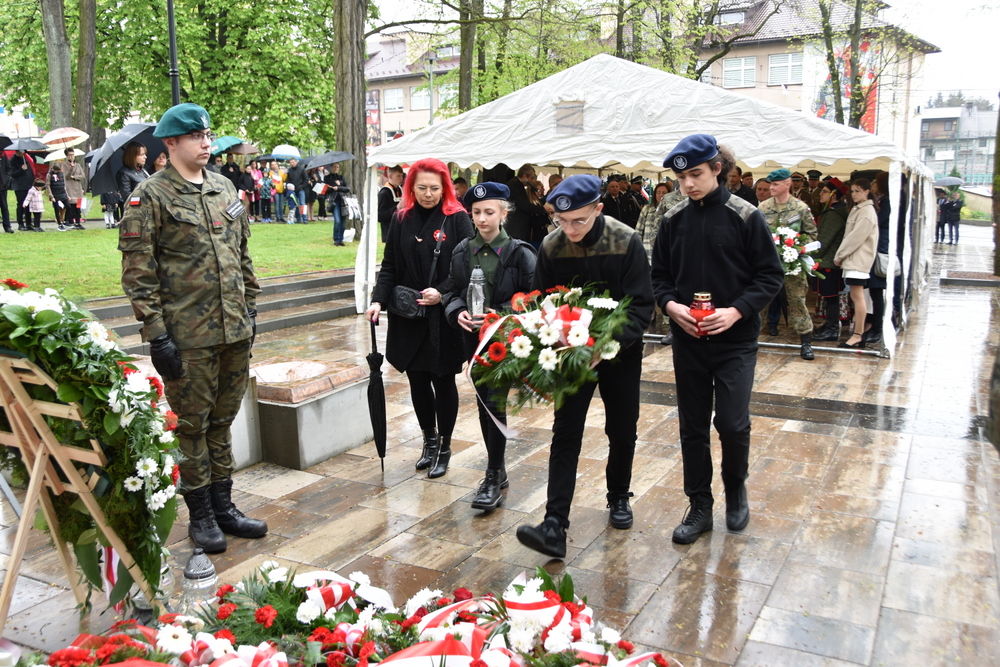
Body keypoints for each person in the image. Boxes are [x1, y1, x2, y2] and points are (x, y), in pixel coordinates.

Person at [117, 102, 267, 553]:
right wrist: (157, 335)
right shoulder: (150, 196)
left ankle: (225, 507)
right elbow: (138, 274)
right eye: (196, 136)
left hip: (234, 329)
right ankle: (200, 515)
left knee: (222, 422)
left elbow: (241, 254)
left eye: (207, 134)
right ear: (171, 143)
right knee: (192, 426)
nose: (206, 143)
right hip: (188, 337)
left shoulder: (224, 187)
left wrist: (251, 309)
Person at [650, 134, 784, 545]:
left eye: (696, 174)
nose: (688, 184)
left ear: (717, 169)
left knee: (731, 421)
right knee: (692, 425)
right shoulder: (673, 219)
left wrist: (737, 310)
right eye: (681, 178)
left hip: (735, 341)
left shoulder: (746, 215)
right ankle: (700, 505)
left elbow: (770, 275)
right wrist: (671, 306)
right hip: (689, 339)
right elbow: (659, 276)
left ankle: (735, 488)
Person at [514, 174, 654, 559]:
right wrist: (552, 337)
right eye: (561, 221)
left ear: (598, 209)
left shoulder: (625, 240)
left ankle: (618, 495)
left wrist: (605, 344)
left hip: (620, 351)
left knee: (622, 428)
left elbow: (642, 306)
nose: (570, 229)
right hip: (570, 352)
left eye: (579, 220)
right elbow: (542, 301)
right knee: (565, 431)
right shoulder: (551, 245)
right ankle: (554, 523)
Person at [365, 158, 474, 479]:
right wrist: (377, 300)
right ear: (411, 187)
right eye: (422, 188)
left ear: (445, 189)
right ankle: (429, 440)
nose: (428, 194)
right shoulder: (401, 218)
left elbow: (469, 266)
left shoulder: (458, 218)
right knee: (417, 379)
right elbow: (390, 265)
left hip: (442, 315)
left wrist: (443, 292)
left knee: (443, 380)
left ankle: (445, 446)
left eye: (435, 188)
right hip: (408, 314)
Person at [443, 182, 536, 511]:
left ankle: (493, 475)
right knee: (485, 404)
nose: (482, 219)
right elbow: (451, 290)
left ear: (503, 214)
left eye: (489, 212)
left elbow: (534, 299)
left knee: (494, 403)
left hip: (505, 341)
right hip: (474, 341)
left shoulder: (520, 253)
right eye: (477, 213)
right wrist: (457, 311)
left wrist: (502, 314)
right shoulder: (461, 251)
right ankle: (498, 469)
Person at [758, 168, 818, 359]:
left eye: (775, 184)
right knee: (760, 301)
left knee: (797, 301)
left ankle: (806, 341)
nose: (771, 188)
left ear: (787, 184)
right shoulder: (763, 208)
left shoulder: (800, 208)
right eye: (771, 184)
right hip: (767, 265)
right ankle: (750, 339)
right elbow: (756, 234)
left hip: (793, 265)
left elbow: (812, 234)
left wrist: (797, 248)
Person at [834, 178, 879, 349]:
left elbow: (855, 238)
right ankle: (859, 331)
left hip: (858, 259)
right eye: (852, 191)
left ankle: (858, 334)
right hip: (854, 259)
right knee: (857, 297)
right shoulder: (860, 209)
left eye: (857, 191)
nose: (853, 194)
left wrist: (840, 254)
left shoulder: (866, 211)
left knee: (857, 296)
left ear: (867, 191)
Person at [811, 178, 849, 342]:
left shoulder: (833, 214)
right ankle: (829, 325)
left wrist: (811, 255)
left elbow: (824, 240)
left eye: (825, 192)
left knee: (831, 296)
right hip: (829, 260)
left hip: (828, 262)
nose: (821, 194)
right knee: (829, 296)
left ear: (833, 195)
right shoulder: (834, 212)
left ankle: (832, 329)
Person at [865, 171, 891, 347]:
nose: (873, 186)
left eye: (875, 183)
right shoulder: (882, 201)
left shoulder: (887, 203)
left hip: (880, 249)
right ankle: (875, 324)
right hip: (877, 248)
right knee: (874, 291)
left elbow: (876, 222)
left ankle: (878, 327)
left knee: (877, 290)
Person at [505, 164, 549, 246]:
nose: (532, 181)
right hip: (517, 228)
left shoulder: (515, 183)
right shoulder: (516, 184)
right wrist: (543, 209)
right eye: (531, 178)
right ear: (525, 176)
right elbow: (525, 206)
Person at [324, 162, 350, 246]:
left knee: (343, 222)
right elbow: (325, 189)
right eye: (334, 167)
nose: (336, 168)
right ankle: (336, 239)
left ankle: (341, 239)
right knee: (337, 221)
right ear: (331, 168)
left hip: (343, 201)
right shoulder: (327, 178)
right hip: (334, 202)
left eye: (337, 167)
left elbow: (347, 189)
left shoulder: (341, 177)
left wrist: (339, 187)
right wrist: (333, 188)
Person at [116, 141, 148, 205]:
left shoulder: (142, 170)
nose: (145, 157)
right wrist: (146, 200)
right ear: (133, 156)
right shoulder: (124, 173)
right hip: (138, 209)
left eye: (145, 154)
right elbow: (128, 199)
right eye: (142, 154)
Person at [10, 150, 36, 231]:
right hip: (19, 186)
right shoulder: (12, 161)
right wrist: (21, 169)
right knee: (21, 205)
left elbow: (30, 171)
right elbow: (13, 174)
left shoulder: (26, 159)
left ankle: (28, 223)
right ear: (17, 152)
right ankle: (20, 223)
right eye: (21, 152)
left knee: (28, 205)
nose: (23, 153)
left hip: (28, 185)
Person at [378, 165, 404, 243]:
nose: (401, 178)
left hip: (401, 230)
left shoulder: (399, 189)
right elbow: (380, 216)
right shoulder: (384, 193)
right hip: (390, 233)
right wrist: (396, 208)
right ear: (390, 176)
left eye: (402, 176)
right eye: (398, 176)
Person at [63, 148, 87, 230]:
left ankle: (78, 222)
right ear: (67, 156)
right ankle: (70, 222)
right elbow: (66, 176)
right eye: (70, 155)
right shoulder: (64, 165)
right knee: (71, 206)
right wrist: (71, 169)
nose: (71, 156)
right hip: (70, 188)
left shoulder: (78, 165)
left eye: (73, 155)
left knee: (78, 207)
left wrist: (74, 177)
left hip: (78, 188)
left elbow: (82, 176)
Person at [46, 163, 70, 230]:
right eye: (55, 170)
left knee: (68, 207)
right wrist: (51, 196)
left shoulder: (61, 174)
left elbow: (64, 185)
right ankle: (59, 224)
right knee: (57, 209)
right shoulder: (49, 174)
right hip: (54, 194)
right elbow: (48, 185)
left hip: (62, 193)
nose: (56, 171)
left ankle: (65, 221)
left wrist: (67, 195)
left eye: (58, 170)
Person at [286, 157, 308, 224]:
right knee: (295, 205)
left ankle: (305, 219)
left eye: (293, 162)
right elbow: (288, 180)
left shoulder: (302, 169)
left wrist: (302, 187)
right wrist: (289, 188)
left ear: (296, 162)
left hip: (300, 189)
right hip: (292, 190)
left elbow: (306, 179)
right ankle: (298, 219)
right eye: (290, 163)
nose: (292, 164)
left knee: (302, 204)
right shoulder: (289, 170)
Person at [0, 149, 11, 233]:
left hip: (2, 186)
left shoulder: (3, 155)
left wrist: (6, 180)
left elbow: (9, 168)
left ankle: (7, 226)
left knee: (4, 207)